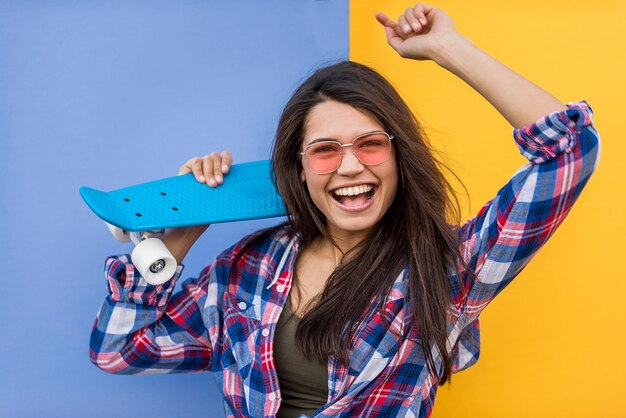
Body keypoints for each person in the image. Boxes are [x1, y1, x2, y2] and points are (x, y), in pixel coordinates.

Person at [89, 4, 600, 417]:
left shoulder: (447, 270)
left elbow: (570, 150)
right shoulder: (250, 267)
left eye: (371, 145)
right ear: (300, 165)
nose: (351, 167)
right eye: (326, 149)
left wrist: (448, 47)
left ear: (400, 157)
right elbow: (119, 351)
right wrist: (186, 226)